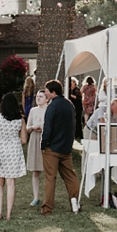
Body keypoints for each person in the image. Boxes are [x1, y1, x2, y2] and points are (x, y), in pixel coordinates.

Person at [40, 79, 81, 216]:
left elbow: (48, 127)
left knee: (50, 178)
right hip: (66, 147)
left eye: (46, 90)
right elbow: (73, 126)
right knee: (70, 176)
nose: (45, 92)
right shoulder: (70, 105)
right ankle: (75, 202)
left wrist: (43, 144)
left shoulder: (52, 107)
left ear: (53, 92)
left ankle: (47, 208)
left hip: (52, 148)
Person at [0, 92, 28, 220]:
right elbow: (24, 140)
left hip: (0, 151)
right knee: (11, 183)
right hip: (13, 151)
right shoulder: (20, 120)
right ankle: (8, 214)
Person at [26, 89, 48, 206]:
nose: (38, 98)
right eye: (37, 96)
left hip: (45, 139)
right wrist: (32, 127)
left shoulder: (49, 110)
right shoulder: (33, 110)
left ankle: (47, 197)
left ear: (46, 99)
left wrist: (42, 128)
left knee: (48, 170)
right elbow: (27, 127)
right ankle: (36, 197)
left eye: (41, 96)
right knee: (35, 171)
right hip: (35, 139)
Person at [68, 77, 84, 141]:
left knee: (77, 120)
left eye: (72, 82)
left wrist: (70, 95)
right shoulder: (68, 89)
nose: (71, 83)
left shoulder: (76, 89)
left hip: (77, 106)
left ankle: (78, 134)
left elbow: (78, 97)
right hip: (71, 106)